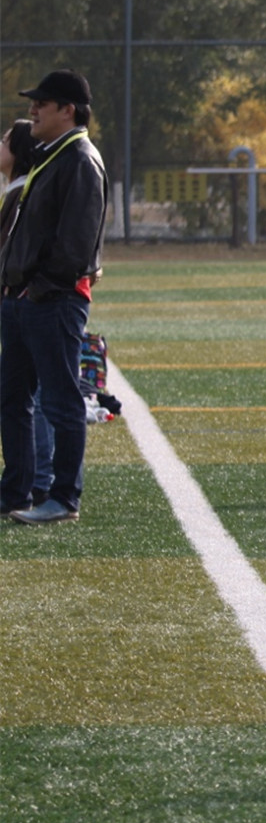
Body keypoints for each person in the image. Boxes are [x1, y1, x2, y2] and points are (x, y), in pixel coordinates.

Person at [1, 70, 109, 524]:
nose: (33, 110)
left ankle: (64, 498)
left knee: (61, 403)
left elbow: (76, 244)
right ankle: (17, 490)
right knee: (12, 398)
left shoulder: (80, 160)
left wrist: (39, 288)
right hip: (25, 298)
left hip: (52, 300)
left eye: (42, 104)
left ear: (68, 110)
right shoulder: (52, 155)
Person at [0, 120, 56, 514]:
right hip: (19, 301)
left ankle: (39, 482)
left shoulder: (23, 192)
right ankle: (26, 482)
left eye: (4, 139)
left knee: (29, 397)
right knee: (21, 396)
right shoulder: (13, 191)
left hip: (29, 302)